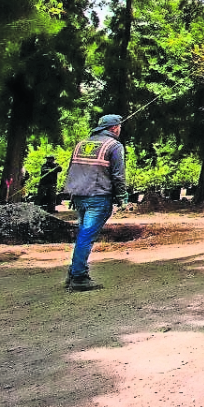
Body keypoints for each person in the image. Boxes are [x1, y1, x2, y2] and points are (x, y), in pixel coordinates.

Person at [64, 113, 127, 291]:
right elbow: (118, 175)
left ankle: (73, 271)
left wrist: (71, 194)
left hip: (78, 196)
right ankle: (79, 277)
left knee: (83, 234)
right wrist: (121, 196)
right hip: (98, 196)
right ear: (114, 128)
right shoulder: (114, 146)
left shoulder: (81, 144)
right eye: (119, 127)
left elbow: (72, 169)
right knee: (87, 236)